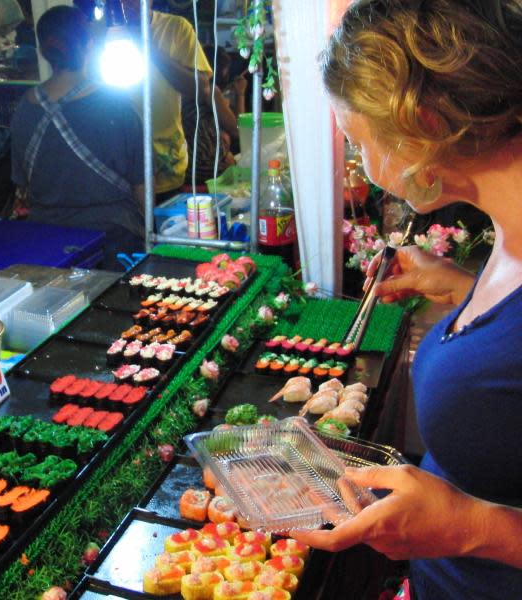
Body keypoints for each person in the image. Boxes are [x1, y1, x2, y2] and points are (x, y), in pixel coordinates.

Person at [290, 1, 522, 599]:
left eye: (358, 142)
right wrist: (463, 293)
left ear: (422, 126)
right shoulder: (508, 220)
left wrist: (476, 530)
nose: (362, 169)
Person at [9, 5, 145, 270]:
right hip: (114, 244)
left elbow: (23, 186)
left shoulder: (24, 109)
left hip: (49, 246)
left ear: (43, 51)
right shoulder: (117, 104)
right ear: (90, 45)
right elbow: (142, 189)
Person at [119, 0, 211, 202]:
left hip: (167, 164)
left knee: (164, 227)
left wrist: (150, 49)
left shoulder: (176, 28)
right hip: (119, 165)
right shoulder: (107, 37)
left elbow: (200, 87)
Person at [181, 45, 245, 184]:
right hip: (206, 168)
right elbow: (237, 130)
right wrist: (240, 94)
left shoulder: (184, 87)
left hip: (186, 167)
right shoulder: (210, 90)